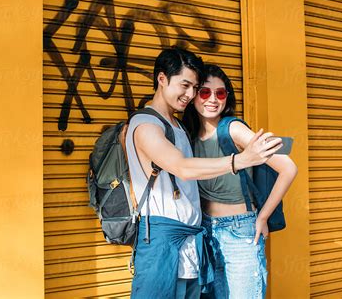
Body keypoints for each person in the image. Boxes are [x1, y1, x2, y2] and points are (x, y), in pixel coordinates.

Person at [126, 48, 283, 299]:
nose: (189, 95)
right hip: (163, 243)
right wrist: (241, 160)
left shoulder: (179, 125)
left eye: (194, 88)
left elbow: (285, 162)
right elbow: (183, 168)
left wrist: (261, 215)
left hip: (195, 243)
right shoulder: (146, 125)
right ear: (162, 79)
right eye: (185, 85)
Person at [182, 64, 298, 298]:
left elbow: (288, 167)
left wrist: (263, 217)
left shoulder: (233, 129)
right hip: (206, 231)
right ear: (194, 96)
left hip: (239, 231)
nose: (213, 99)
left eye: (220, 93)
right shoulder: (190, 134)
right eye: (205, 92)